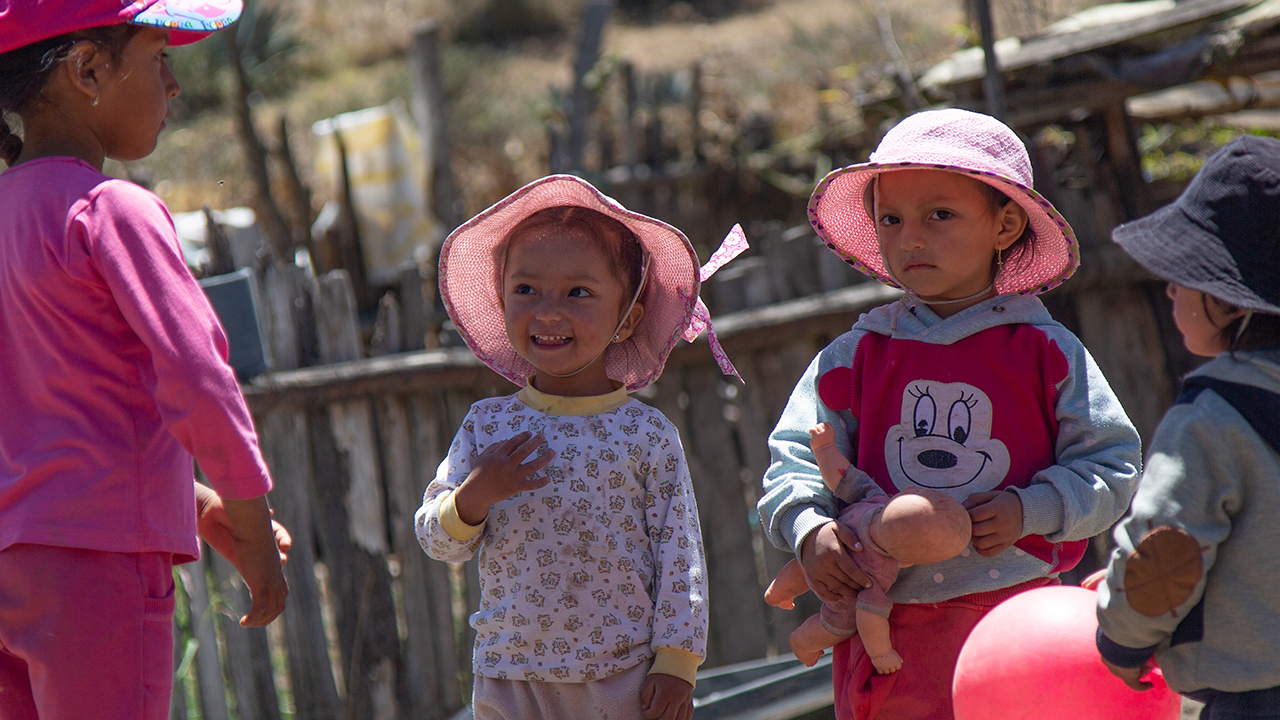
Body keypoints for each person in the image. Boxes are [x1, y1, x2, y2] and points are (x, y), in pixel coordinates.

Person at [757, 108, 1143, 720]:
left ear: (1006, 223)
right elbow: (796, 457)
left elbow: (1113, 466)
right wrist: (809, 530)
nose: (910, 237)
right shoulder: (855, 356)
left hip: (1019, 621)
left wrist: (1030, 509)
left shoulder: (1046, 353)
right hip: (887, 629)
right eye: (891, 218)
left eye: (940, 214)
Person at [0, 2, 289, 719]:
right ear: (88, 69)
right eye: (160, 56)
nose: (174, 85)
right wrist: (251, 532)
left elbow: (40, 413)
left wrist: (193, 504)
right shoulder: (110, 209)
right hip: (98, 568)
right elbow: (197, 379)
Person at [415, 175, 745, 720]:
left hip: (621, 680)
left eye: (578, 292)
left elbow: (679, 552)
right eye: (525, 290)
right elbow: (437, 541)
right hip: (509, 678)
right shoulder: (487, 427)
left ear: (628, 318)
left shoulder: (645, 434)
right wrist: (474, 496)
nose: (547, 312)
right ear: (500, 302)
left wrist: (677, 663)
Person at [1095, 136, 1280, 719]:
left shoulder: (1212, 416)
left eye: (1183, 279)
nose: (1171, 291)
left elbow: (1166, 548)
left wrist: (1122, 639)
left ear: (1232, 303)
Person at [765, 423, 972, 672]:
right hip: (840, 597)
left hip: (821, 553)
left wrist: (824, 448)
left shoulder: (873, 499)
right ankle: (800, 642)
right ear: (909, 562)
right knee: (835, 627)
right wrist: (881, 654)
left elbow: (841, 477)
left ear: (904, 493)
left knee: (801, 568)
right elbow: (869, 618)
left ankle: (778, 593)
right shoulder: (883, 572)